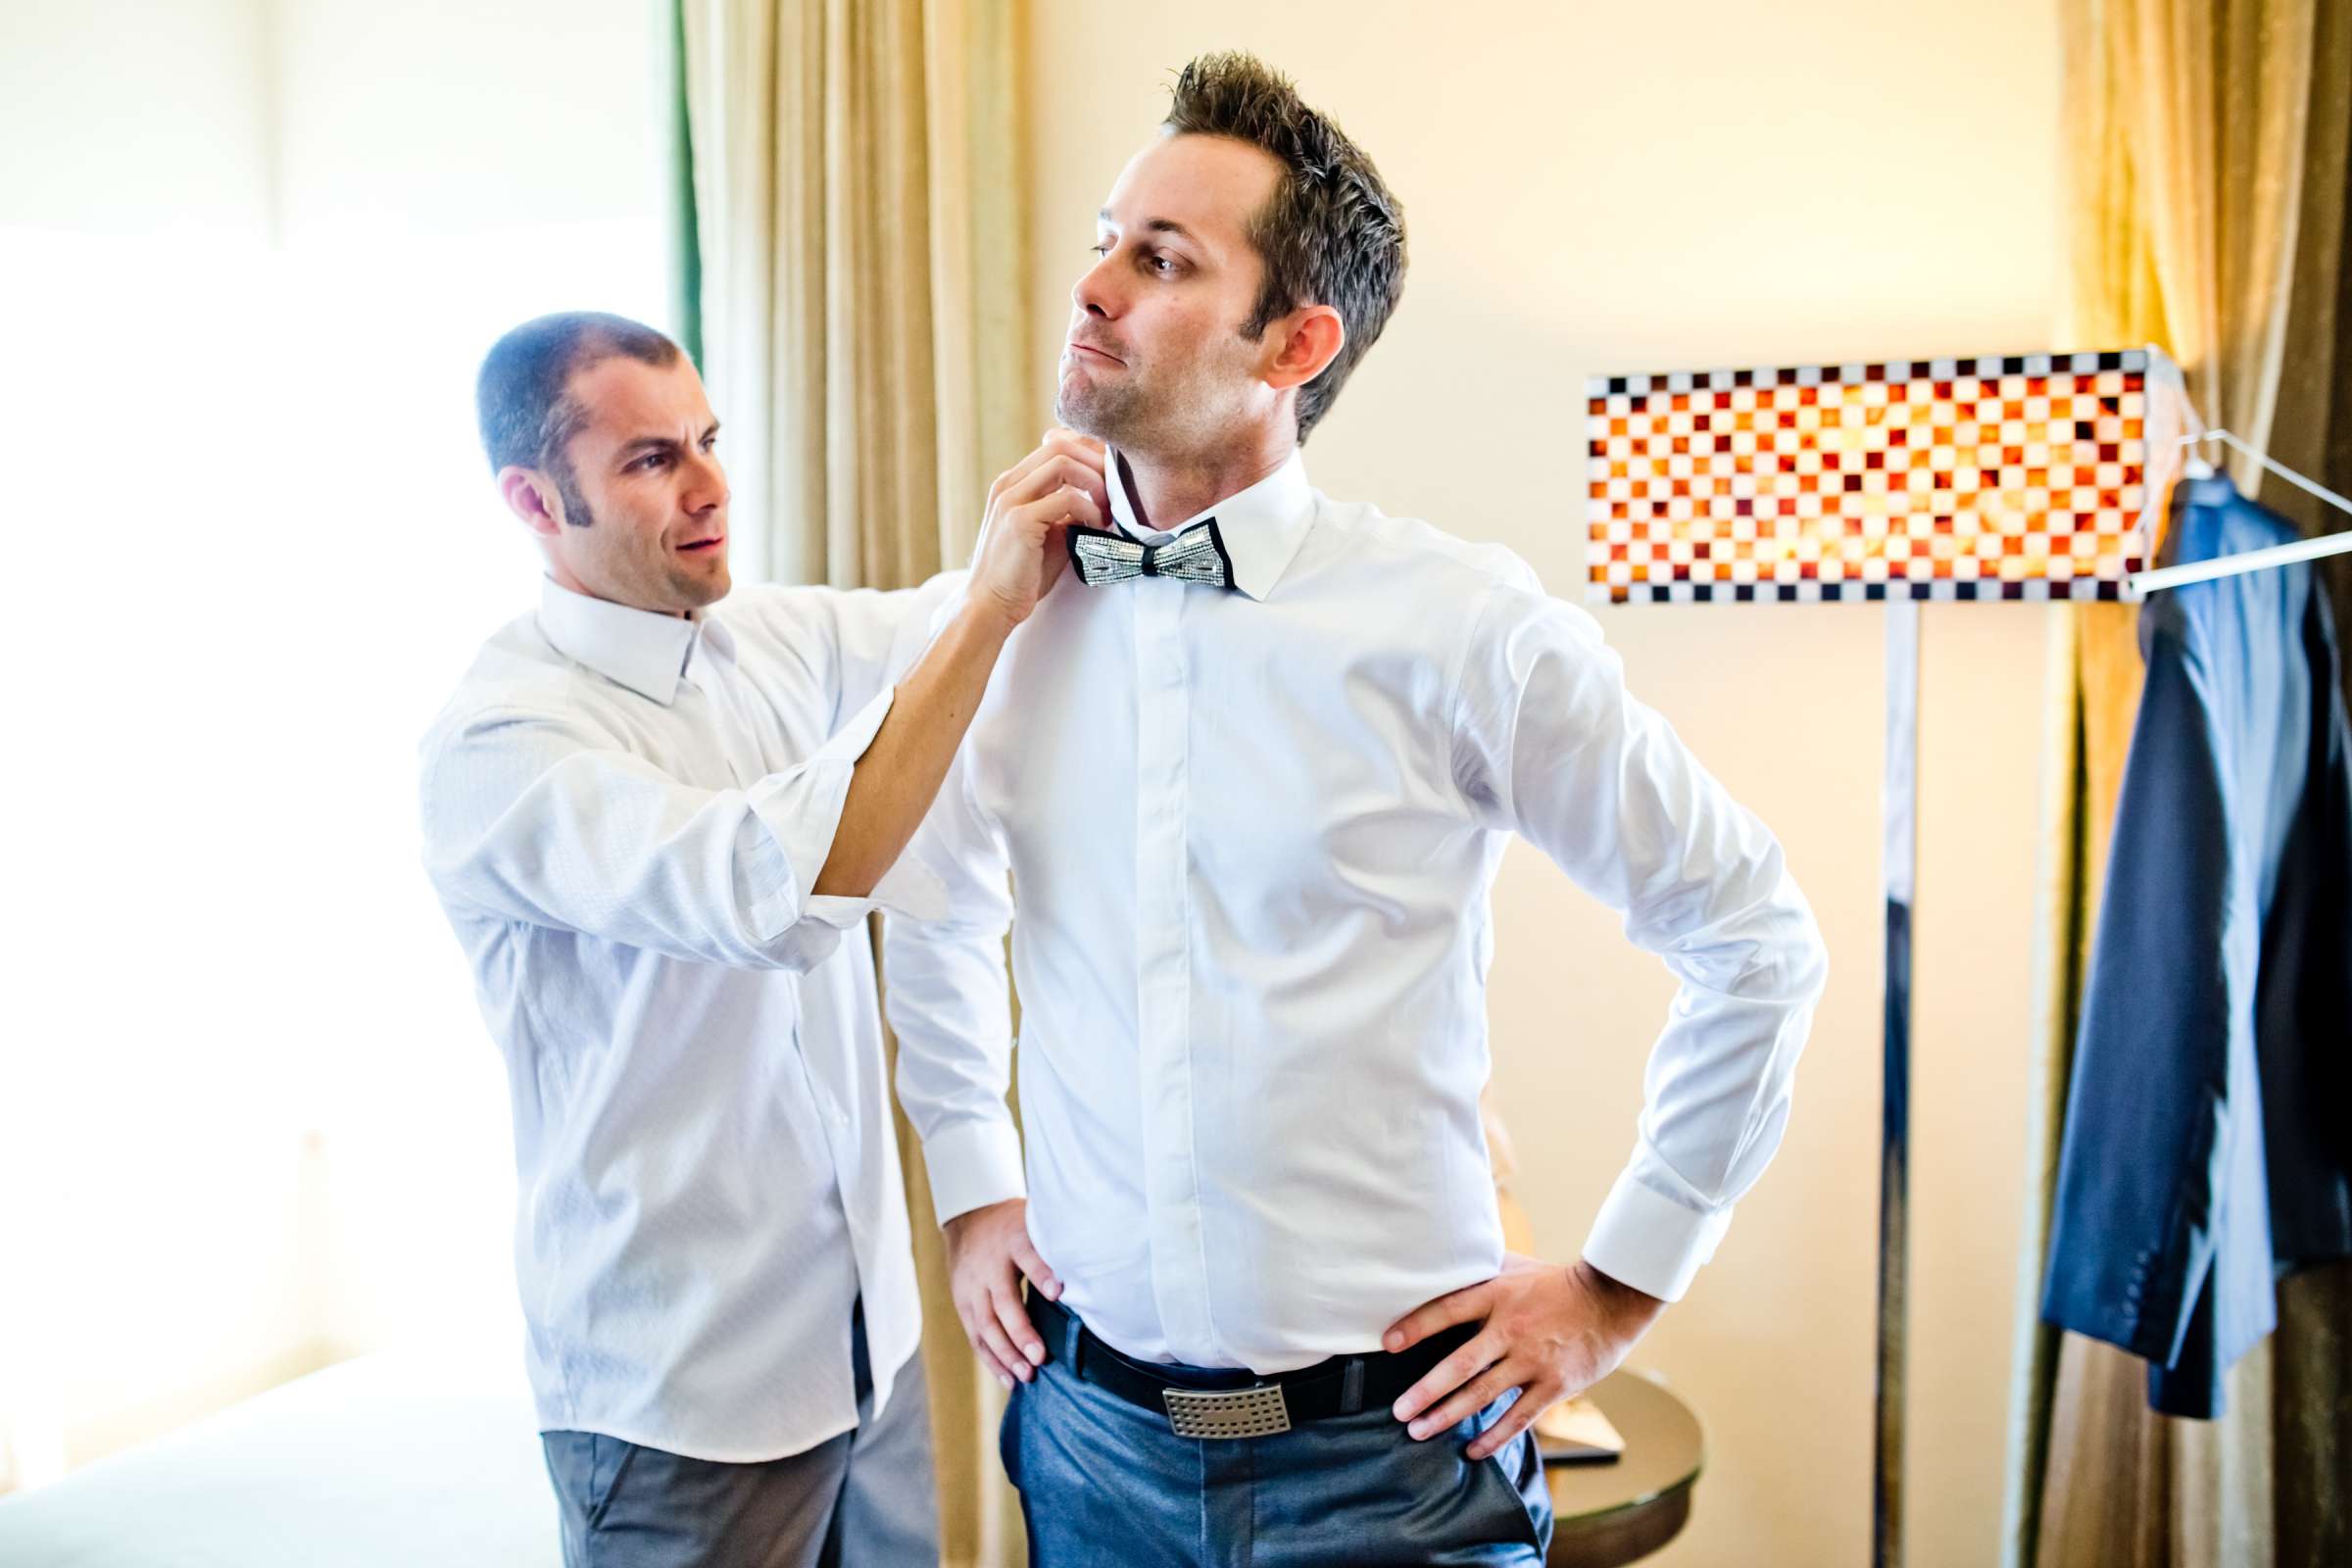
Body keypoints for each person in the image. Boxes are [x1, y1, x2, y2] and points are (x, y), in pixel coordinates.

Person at [883, 55, 1831, 1565]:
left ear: (1297, 342)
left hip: (1393, 1466)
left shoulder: (1459, 632)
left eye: (1164, 258)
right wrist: (971, 1180)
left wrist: (1616, 1290)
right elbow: (927, 899)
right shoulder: (990, 619)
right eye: (1107, 236)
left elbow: (1756, 937)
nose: (1095, 285)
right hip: (1086, 1449)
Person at [417, 311, 1103, 1568]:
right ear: (531, 499)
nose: (709, 486)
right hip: (677, 1407)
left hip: (867, 1359)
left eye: (709, 439)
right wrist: (992, 602)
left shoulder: (774, 642)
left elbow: (978, 641)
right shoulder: (500, 748)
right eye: (649, 460)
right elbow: (770, 893)